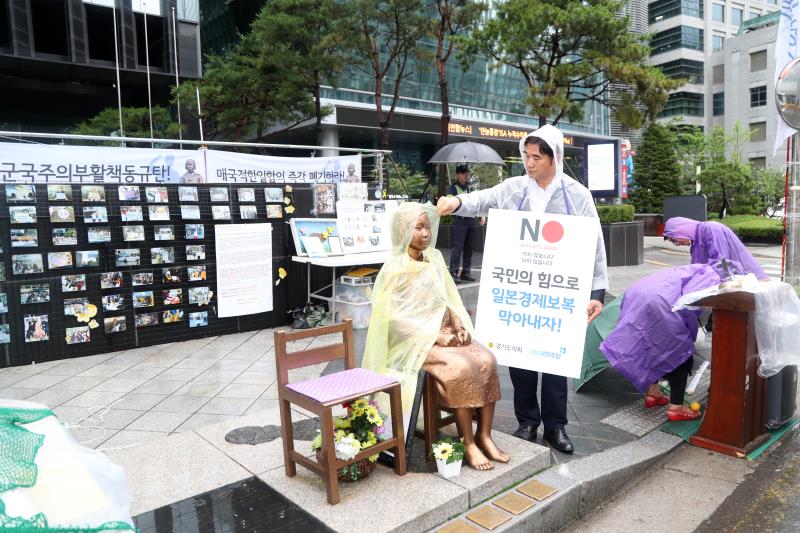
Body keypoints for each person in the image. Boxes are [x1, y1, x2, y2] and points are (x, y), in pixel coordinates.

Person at [437, 124, 608, 454]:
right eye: (526, 156)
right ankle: (527, 421)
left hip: (559, 291)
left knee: (557, 362)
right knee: (521, 357)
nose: (529, 163)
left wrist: (596, 291)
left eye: (536, 157)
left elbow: (595, 243)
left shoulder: (577, 195)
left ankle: (555, 427)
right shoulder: (515, 189)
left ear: (554, 157)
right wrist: (456, 202)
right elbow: (483, 200)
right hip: (523, 291)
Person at [362, 202, 509, 470]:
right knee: (461, 366)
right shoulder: (394, 269)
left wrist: (458, 324)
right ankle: (467, 443)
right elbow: (392, 319)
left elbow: (448, 298)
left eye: (427, 227)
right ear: (404, 231)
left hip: (444, 335)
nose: (425, 233)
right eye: (418, 228)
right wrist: (434, 336)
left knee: (487, 359)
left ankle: (484, 435)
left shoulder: (435, 259)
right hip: (412, 343)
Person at [599, 262, 731, 421]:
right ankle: (676, 408)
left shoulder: (692, 269)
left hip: (637, 298)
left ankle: (653, 393)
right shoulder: (713, 277)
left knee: (650, 346)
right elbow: (689, 305)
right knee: (680, 354)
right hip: (661, 305)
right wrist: (690, 333)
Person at [662, 217, 768, 280]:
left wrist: (727, 285)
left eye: (675, 240)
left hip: (749, 280)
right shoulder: (696, 243)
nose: (678, 244)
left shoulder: (710, 229)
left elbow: (722, 262)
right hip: (739, 282)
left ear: (681, 230)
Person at [447, 165, 484, 283]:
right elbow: (449, 203)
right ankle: (453, 273)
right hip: (460, 221)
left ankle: (466, 272)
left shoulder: (470, 188)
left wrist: (481, 215)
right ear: (458, 174)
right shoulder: (453, 188)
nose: (466, 176)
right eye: (463, 174)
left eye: (467, 173)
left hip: (471, 221)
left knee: (469, 248)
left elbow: (476, 203)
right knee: (458, 248)